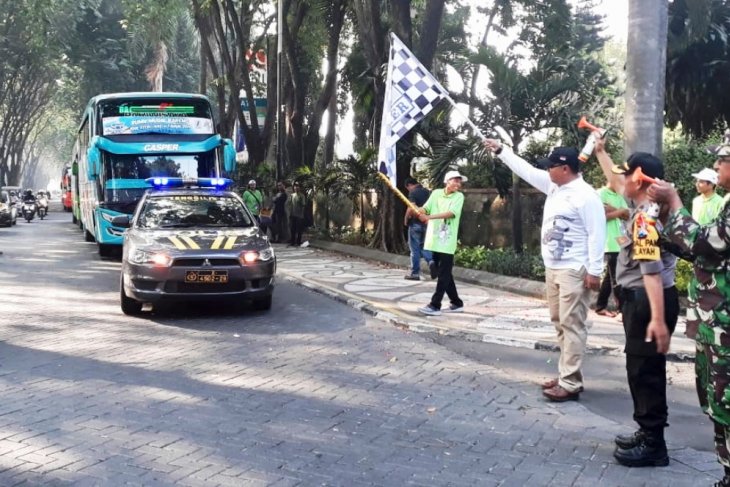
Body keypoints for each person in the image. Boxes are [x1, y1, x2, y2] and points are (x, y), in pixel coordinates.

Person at [483, 140, 606, 402]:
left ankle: (570, 383)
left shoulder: (586, 196)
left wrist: (595, 271)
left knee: (572, 324)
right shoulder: (554, 186)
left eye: (551, 166)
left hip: (574, 269)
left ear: (564, 169)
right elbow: (525, 169)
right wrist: (501, 151)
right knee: (559, 323)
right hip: (554, 268)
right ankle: (567, 375)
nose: (547, 170)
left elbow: (598, 234)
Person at [594, 135, 679, 468]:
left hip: (648, 302)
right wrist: (600, 151)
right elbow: (617, 180)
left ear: (640, 178)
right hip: (643, 300)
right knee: (641, 369)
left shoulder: (645, 218)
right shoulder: (645, 206)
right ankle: (647, 431)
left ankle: (654, 443)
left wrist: (657, 319)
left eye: (627, 174)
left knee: (645, 373)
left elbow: (652, 273)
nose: (619, 181)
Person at [648, 141, 730, 486]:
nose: (717, 166)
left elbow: (705, 243)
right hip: (716, 325)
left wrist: (674, 203)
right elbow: (708, 256)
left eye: (722, 160)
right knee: (717, 403)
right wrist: (666, 229)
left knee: (725, 401)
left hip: (724, 327)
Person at [416, 170, 466, 316]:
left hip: (447, 241)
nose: (458, 183)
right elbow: (427, 206)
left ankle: (435, 305)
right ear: (447, 181)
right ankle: (456, 302)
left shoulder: (459, 196)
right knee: (445, 273)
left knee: (443, 273)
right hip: (434, 239)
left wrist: (429, 217)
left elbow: (451, 213)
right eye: (455, 180)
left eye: (459, 181)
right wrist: (421, 210)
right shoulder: (437, 193)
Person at [595, 182, 630, 317]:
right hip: (609, 242)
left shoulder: (619, 196)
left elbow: (627, 215)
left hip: (621, 241)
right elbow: (600, 216)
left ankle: (600, 306)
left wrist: (613, 209)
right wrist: (619, 211)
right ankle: (622, 310)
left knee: (610, 278)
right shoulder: (600, 193)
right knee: (617, 277)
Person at [403, 177, 433, 281]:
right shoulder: (427, 192)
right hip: (427, 223)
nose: (409, 190)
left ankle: (415, 273)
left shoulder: (413, 193)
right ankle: (431, 261)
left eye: (408, 188)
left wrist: (406, 218)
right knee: (425, 246)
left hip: (415, 223)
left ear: (409, 185)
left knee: (414, 249)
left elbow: (411, 207)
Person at [288, 182, 306, 246]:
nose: (296, 187)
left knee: (299, 229)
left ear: (300, 188)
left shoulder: (302, 196)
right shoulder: (292, 195)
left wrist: (302, 215)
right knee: (292, 229)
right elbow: (290, 204)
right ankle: (292, 242)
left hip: (299, 215)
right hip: (293, 214)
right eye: (295, 186)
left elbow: (303, 206)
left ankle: (298, 242)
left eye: (297, 186)